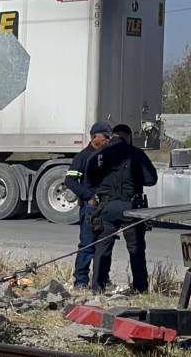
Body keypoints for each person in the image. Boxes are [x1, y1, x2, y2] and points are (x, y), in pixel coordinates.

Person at [85, 123, 158, 294]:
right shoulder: (137, 154)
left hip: (105, 207)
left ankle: (97, 287)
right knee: (136, 248)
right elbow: (151, 179)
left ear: (112, 136)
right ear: (129, 137)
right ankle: (140, 288)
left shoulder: (98, 155)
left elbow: (89, 181)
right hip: (130, 207)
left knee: (102, 247)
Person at [63, 122, 113, 289]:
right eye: (105, 136)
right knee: (87, 244)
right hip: (90, 209)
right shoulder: (83, 157)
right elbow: (69, 180)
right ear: (94, 137)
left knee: (104, 246)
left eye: (109, 136)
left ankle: (102, 280)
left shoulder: (107, 156)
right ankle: (81, 281)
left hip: (106, 208)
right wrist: (88, 196)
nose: (108, 139)